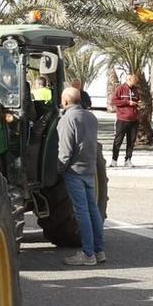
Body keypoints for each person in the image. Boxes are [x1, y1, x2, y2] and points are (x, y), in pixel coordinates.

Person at [55, 85, 106, 267]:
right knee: (93, 210)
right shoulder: (90, 117)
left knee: (81, 212)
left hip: (74, 171)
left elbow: (65, 151)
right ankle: (99, 251)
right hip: (89, 170)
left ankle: (87, 254)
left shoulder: (68, 119)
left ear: (66, 101)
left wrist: (58, 170)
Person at [110, 72, 140, 166]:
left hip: (134, 120)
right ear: (129, 80)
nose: (134, 83)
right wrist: (127, 102)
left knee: (131, 141)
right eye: (133, 81)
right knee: (118, 140)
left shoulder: (135, 90)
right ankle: (114, 160)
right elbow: (114, 101)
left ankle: (128, 160)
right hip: (122, 120)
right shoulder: (121, 89)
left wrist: (139, 104)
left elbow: (137, 100)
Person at [133, 69, 153, 148]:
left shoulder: (140, 90)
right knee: (143, 121)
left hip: (144, 107)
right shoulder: (131, 89)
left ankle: (148, 139)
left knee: (145, 122)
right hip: (141, 109)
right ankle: (143, 138)